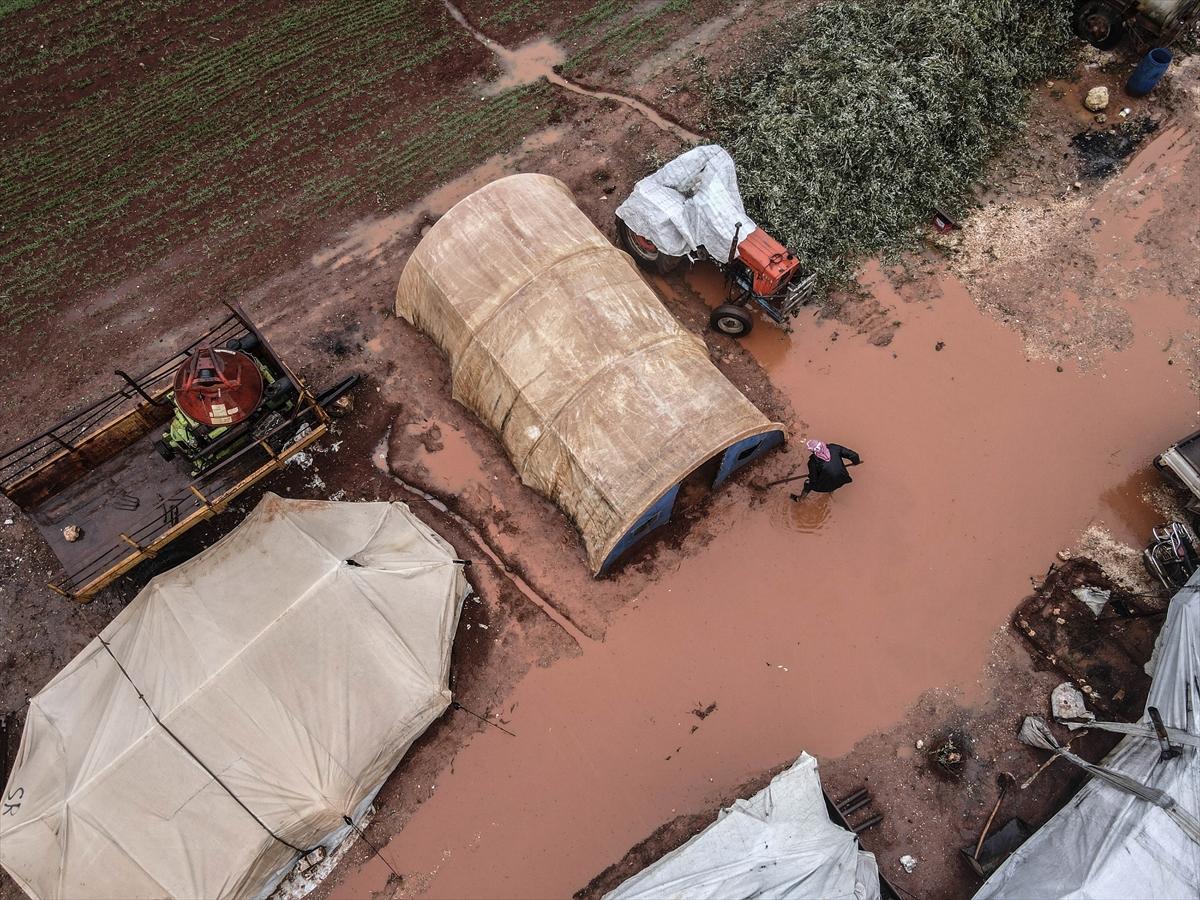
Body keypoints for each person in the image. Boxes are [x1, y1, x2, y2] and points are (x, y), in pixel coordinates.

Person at [790, 439, 861, 501]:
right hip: (843, 478)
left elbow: (813, 479)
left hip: (827, 485)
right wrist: (856, 462)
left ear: (813, 451)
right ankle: (831, 491)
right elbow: (854, 455)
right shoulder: (834, 448)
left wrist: (810, 476)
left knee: (808, 483)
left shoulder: (813, 462)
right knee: (831, 477)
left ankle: (800, 499)